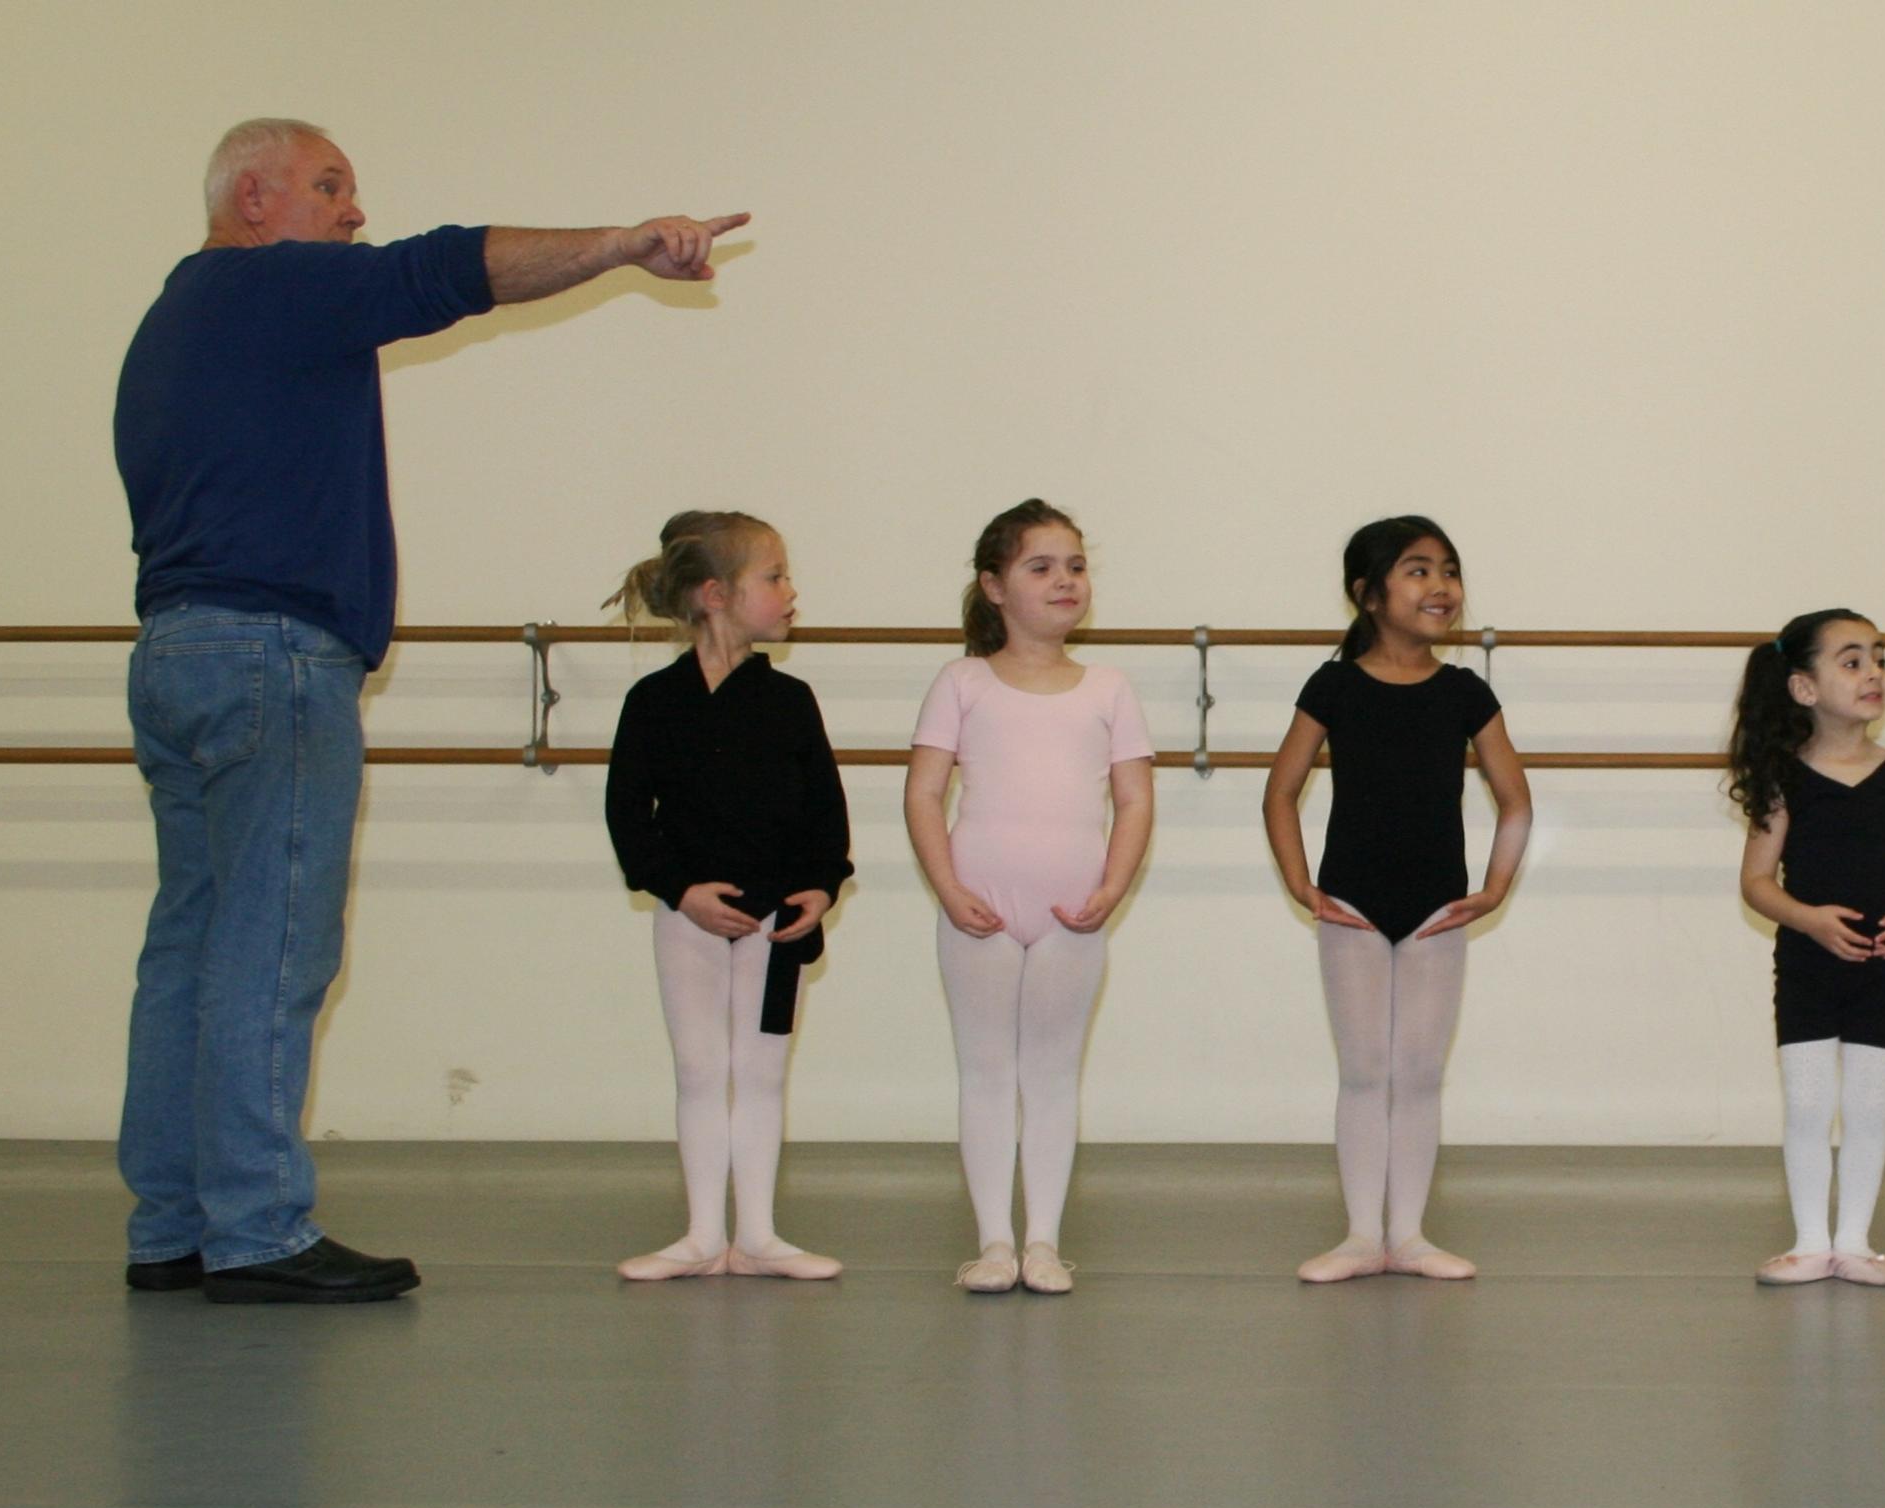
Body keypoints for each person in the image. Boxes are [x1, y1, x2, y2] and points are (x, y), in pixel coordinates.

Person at [113, 117, 748, 1302]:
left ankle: (174, 1223)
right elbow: (449, 268)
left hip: (176, 654)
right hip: (269, 658)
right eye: (328, 186)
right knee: (271, 947)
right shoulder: (273, 287)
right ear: (254, 198)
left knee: (191, 944)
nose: (352, 211)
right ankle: (254, 1229)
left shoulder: (171, 324)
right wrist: (621, 243)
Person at [1263, 517, 1530, 1283]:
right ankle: (1358, 1234)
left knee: (1416, 1069)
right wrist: (1302, 884)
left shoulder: (1465, 691)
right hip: (1352, 901)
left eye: (1448, 569)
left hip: (1435, 907)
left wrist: (1493, 888)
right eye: (1417, 570)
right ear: (1367, 593)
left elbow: (1515, 800)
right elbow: (1280, 792)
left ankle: (1407, 1233)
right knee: (1363, 1068)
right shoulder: (1333, 685)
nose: (1440, 585)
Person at [905, 501, 1155, 1295]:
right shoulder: (963, 681)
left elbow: (1136, 799)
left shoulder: (1109, 687)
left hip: (1070, 912)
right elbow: (923, 793)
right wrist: (949, 888)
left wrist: (1110, 888)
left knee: (1051, 1074)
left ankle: (1043, 1240)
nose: (1065, 580)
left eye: (1076, 565)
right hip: (978, 906)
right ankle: (992, 1241)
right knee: (984, 1071)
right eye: (1040, 566)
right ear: (993, 587)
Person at [603, 513, 851, 1282]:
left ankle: (762, 1233)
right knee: (702, 1068)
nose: (790, 590)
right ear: (715, 594)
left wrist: (819, 885)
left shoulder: (791, 699)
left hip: (775, 922)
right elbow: (625, 812)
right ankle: (704, 1233)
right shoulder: (653, 701)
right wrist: (680, 890)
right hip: (690, 919)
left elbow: (824, 810)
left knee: (764, 1071)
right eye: (773, 576)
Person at [1729, 610, 1885, 1288]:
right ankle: (1808, 1240)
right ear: (1803, 687)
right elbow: (1756, 881)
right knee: (1806, 1105)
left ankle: (1855, 1239)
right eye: (1852, 661)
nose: (1874, 673)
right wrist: (1810, 919)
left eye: (1879, 659)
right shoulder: (1785, 777)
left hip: (1882, 970)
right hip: (1806, 968)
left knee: (1866, 1106)